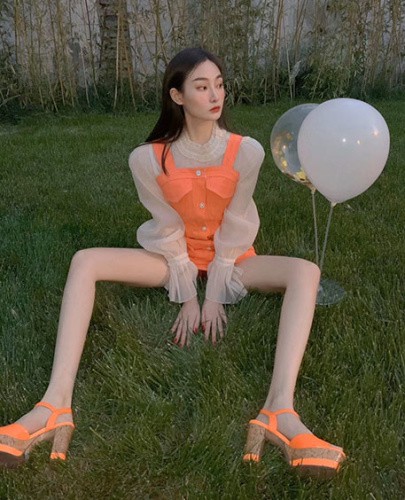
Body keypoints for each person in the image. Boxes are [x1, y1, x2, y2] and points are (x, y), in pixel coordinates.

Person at [0, 48, 345, 476]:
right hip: (172, 256)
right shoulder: (147, 158)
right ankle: (53, 405)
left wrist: (215, 293)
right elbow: (165, 227)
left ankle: (279, 410)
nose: (215, 95)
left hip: (232, 256)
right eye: (202, 87)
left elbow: (237, 224)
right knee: (84, 261)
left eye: (219, 84)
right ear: (177, 96)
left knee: (306, 271)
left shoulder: (247, 151)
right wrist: (187, 295)